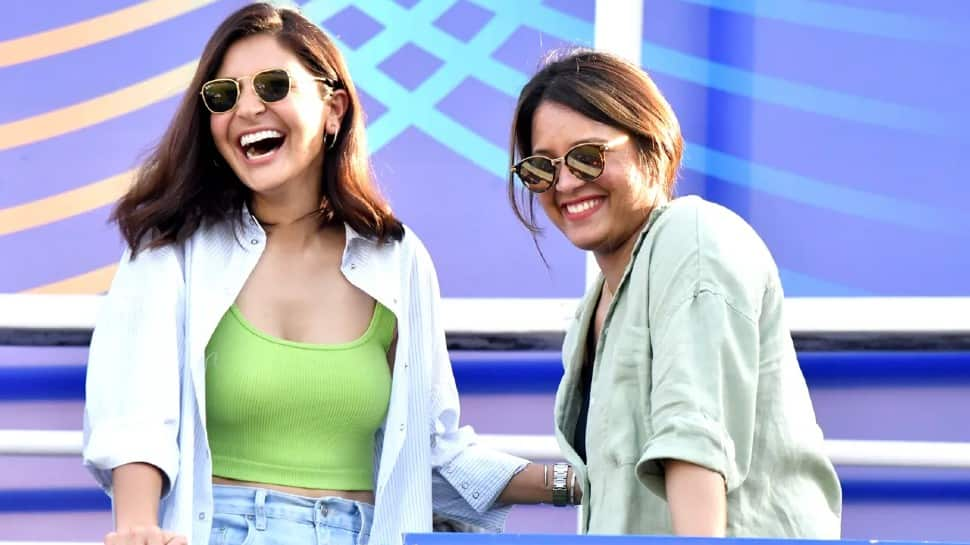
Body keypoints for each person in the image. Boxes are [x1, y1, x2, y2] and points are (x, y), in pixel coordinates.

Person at [82, 5, 577, 545]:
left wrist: (577, 483)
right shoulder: (173, 249)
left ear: (334, 107)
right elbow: (133, 421)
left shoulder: (398, 258)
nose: (247, 108)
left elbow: (432, 454)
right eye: (223, 95)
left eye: (273, 86)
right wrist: (138, 529)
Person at [507, 49, 842, 537]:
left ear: (651, 144)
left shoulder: (693, 237)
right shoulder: (596, 305)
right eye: (541, 168)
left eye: (587, 156)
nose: (565, 182)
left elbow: (694, 439)